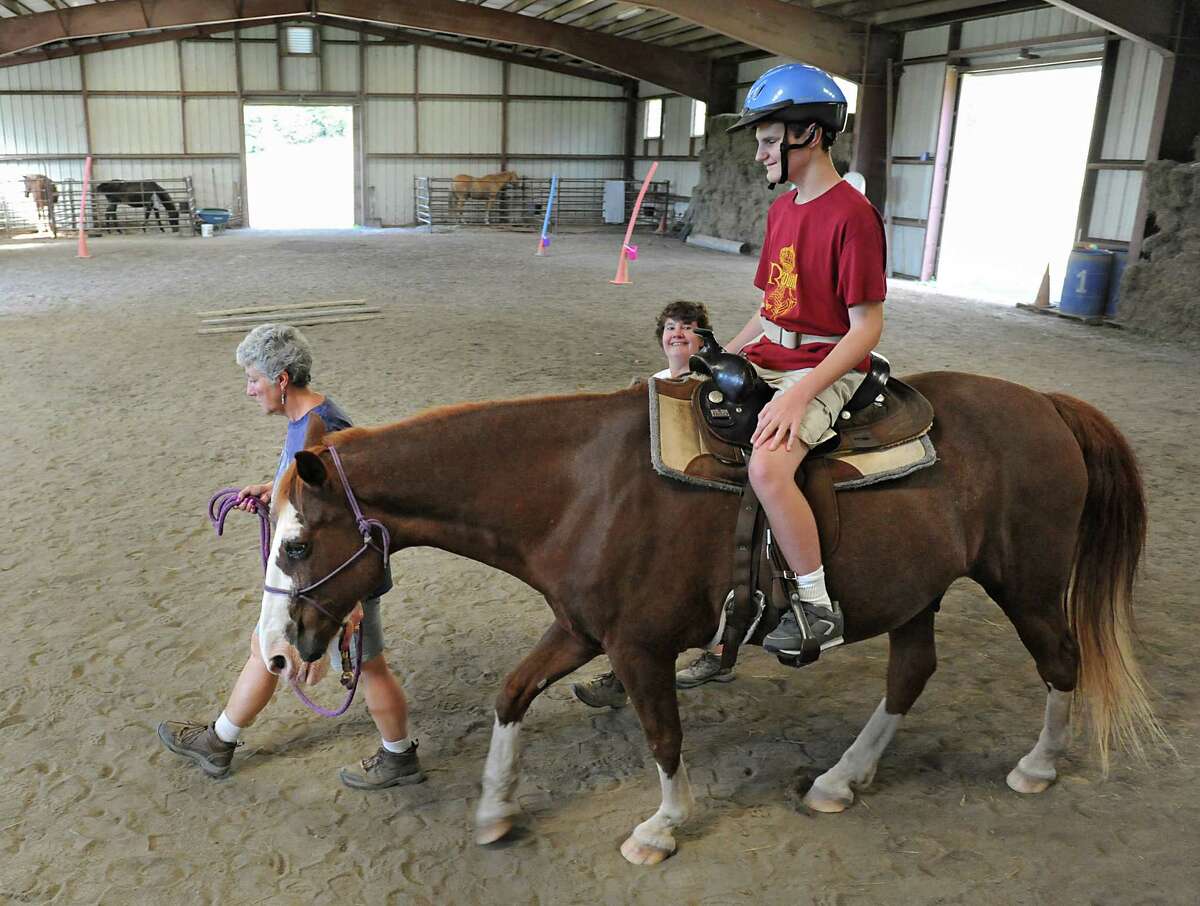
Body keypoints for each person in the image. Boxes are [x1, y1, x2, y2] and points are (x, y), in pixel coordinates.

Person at [157, 324, 425, 789]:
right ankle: (220, 740)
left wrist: (351, 605)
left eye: (253, 379)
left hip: (335, 582)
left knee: (367, 666)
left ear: (281, 380)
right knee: (267, 644)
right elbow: (311, 494)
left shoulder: (326, 430)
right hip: (319, 577)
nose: (249, 390)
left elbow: (347, 518)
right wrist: (273, 490)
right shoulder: (305, 423)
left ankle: (399, 757)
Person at [723, 63, 886, 659]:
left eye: (769, 141)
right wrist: (719, 356)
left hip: (825, 365)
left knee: (768, 468)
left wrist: (797, 394)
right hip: (771, 352)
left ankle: (817, 607)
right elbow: (770, 308)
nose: (761, 154)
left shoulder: (851, 215)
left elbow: (866, 328)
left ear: (808, 135)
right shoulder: (782, 210)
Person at [572, 301, 736, 710]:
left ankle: (718, 655)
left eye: (688, 327)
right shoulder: (652, 384)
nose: (677, 333)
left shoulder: (716, 381)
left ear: (703, 337)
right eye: (670, 328)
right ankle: (622, 671)